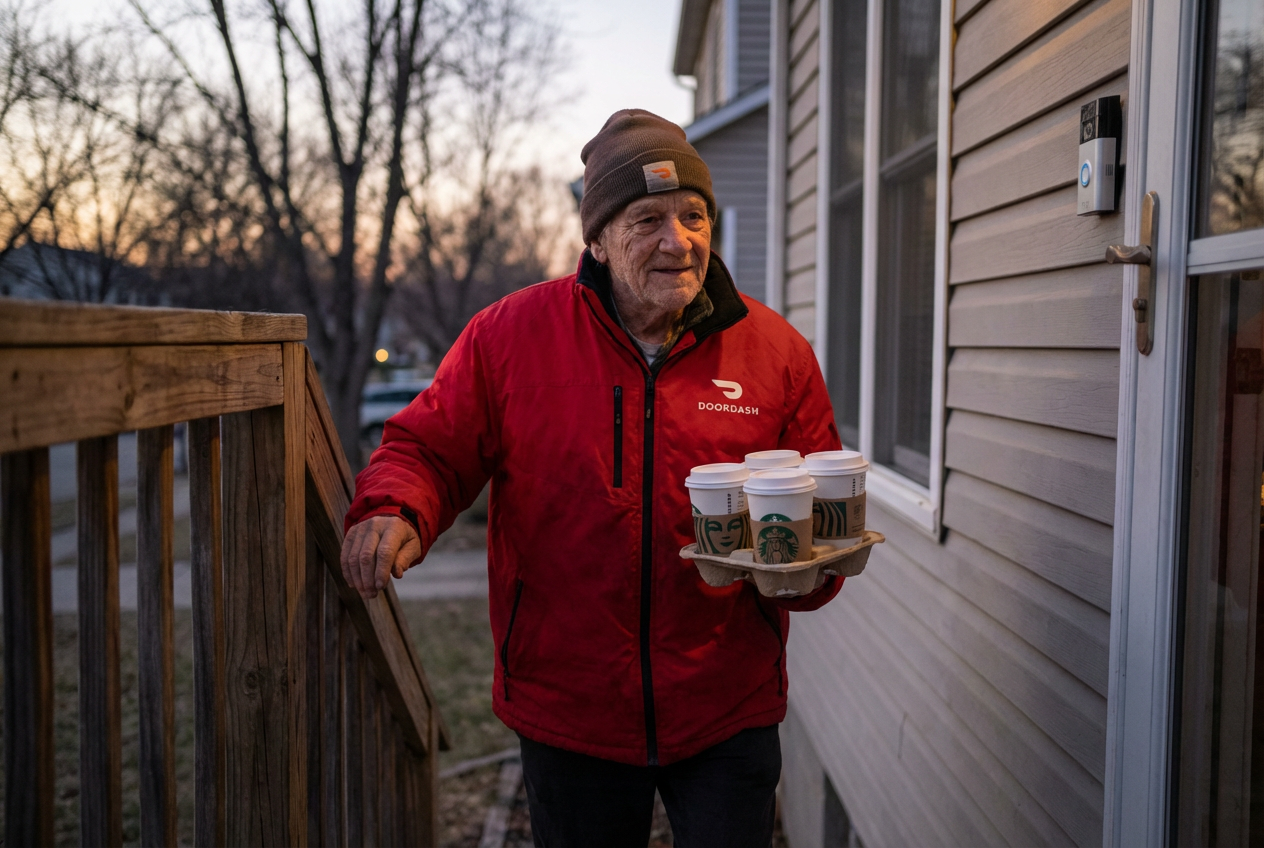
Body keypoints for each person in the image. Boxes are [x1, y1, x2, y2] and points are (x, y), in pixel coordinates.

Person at [341, 109, 844, 847]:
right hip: (569, 705)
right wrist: (396, 508)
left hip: (725, 702)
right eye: (646, 219)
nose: (678, 241)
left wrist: (810, 573)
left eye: (694, 215)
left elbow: (819, 505)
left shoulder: (774, 352)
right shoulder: (510, 338)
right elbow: (428, 446)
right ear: (598, 240)